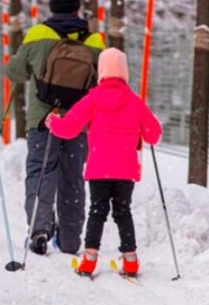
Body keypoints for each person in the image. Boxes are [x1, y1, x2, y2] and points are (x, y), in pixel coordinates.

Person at [6, 0, 106, 256]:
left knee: (40, 172)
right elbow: (102, 80)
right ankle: (71, 239)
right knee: (73, 177)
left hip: (43, 119)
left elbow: (15, 72)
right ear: (77, 8)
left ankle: (39, 230)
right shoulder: (94, 41)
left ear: (51, 7)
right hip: (78, 121)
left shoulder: (38, 34)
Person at [46, 48, 161, 276]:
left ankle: (89, 260)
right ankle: (130, 260)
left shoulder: (92, 99)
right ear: (125, 72)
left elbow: (69, 128)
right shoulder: (134, 101)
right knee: (123, 212)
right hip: (125, 169)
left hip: (99, 168)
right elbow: (153, 134)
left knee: (97, 212)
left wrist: (53, 122)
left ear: (102, 71)